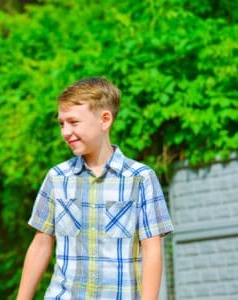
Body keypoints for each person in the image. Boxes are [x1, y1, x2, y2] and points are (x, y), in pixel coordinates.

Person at [17, 77, 173, 300]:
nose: (65, 132)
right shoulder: (57, 177)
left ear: (105, 119)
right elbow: (41, 243)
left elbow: (152, 249)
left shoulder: (140, 178)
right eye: (61, 123)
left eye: (73, 122)